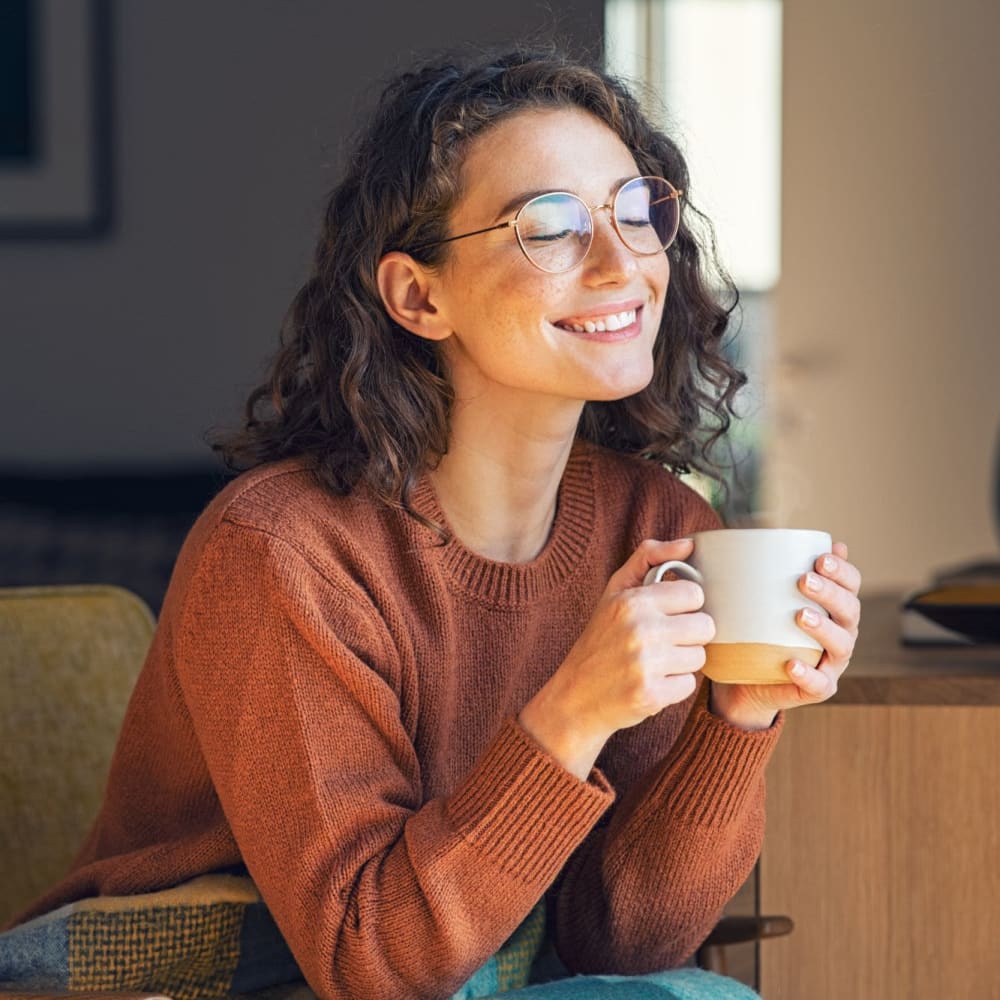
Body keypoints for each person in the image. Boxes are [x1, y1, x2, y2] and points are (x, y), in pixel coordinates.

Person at [6, 44, 861, 1000]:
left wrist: (736, 720)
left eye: (636, 210)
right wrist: (570, 713)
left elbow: (619, 944)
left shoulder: (657, 524)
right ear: (420, 296)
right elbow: (366, 963)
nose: (623, 262)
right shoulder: (284, 552)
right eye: (551, 227)